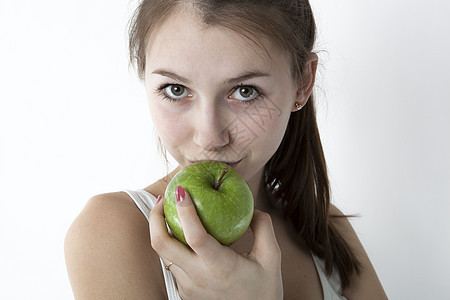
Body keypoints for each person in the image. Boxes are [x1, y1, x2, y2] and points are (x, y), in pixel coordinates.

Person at [64, 0, 388, 299]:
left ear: (302, 83)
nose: (209, 137)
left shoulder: (326, 229)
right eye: (175, 90)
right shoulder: (113, 232)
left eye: (245, 91)